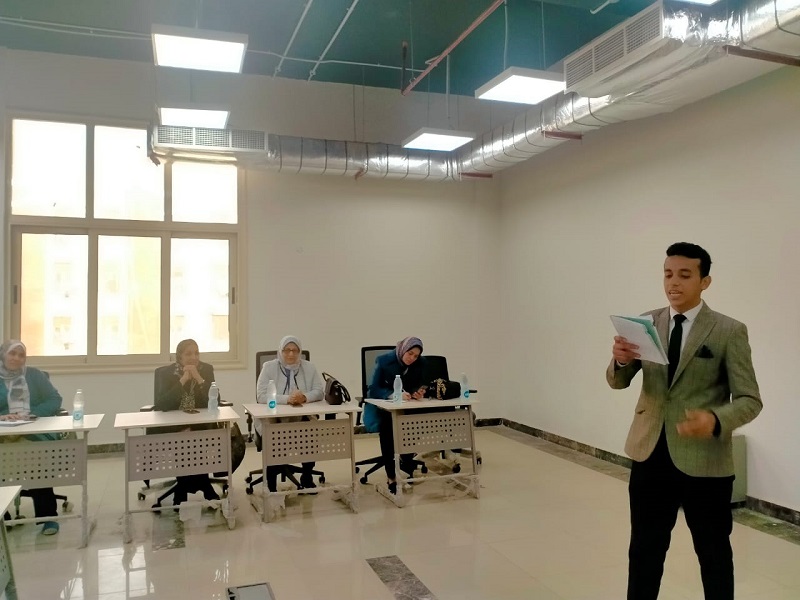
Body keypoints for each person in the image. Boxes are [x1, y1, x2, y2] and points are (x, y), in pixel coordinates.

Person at [607, 242, 762, 600]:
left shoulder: (728, 330)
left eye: (684, 275)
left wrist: (715, 419)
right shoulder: (646, 323)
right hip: (649, 454)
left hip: (705, 461)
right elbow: (617, 381)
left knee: (714, 555)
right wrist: (620, 360)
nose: (673, 282)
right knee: (644, 551)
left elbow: (750, 400)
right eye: (668, 274)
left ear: (705, 281)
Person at [0, 340, 63, 535]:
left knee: (37, 463)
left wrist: (32, 413)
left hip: (33, 431)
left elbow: (55, 399)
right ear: (3, 355)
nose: (16, 358)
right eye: (12, 353)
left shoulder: (34, 375)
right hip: (3, 432)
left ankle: (47, 517)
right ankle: (3, 516)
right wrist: (3, 416)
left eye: (21, 355)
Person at [154, 338, 220, 504]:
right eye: (188, 354)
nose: (194, 357)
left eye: (196, 353)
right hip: (174, 425)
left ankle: (191, 487)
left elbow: (215, 401)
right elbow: (162, 404)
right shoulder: (167, 373)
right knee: (186, 437)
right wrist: (183, 379)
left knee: (197, 435)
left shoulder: (206, 370)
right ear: (180, 356)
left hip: (201, 424)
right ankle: (190, 486)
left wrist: (199, 378)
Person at [256, 335, 324, 491]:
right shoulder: (269, 367)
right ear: (280, 351)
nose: (291, 354)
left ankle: (307, 476)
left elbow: (319, 391)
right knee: (273, 435)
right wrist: (288, 399)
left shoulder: (309, 367)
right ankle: (271, 485)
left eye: (295, 350)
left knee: (310, 431)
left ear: (300, 352)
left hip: (301, 417)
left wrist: (304, 397)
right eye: (287, 350)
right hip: (274, 418)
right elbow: (261, 396)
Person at [364, 336, 427, 495]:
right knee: (388, 424)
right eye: (410, 353)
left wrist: (418, 392)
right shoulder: (383, 361)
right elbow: (373, 389)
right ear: (403, 350)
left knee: (417, 419)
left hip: (407, 405)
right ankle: (391, 475)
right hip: (382, 406)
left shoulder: (420, 363)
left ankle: (406, 459)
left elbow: (420, 383)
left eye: (416, 356)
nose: (412, 358)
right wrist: (394, 394)